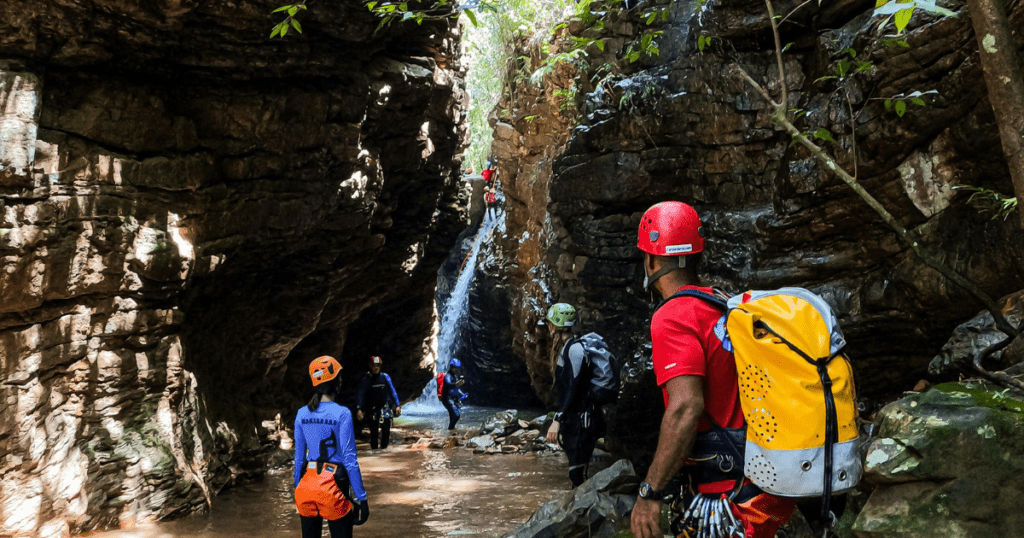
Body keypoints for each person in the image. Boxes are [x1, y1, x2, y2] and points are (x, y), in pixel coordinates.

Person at [630, 201, 795, 538]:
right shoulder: (724, 305)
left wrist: (650, 493)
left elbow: (685, 407)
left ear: (650, 260)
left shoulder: (673, 315)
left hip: (729, 497)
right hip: (765, 488)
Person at [294, 356, 370, 538]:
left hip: (306, 487)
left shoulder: (301, 414)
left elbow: (298, 459)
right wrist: (362, 498)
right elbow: (350, 460)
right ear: (337, 382)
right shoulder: (342, 413)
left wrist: (297, 490)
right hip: (333, 486)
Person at [542, 303, 606, 488]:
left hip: (582, 421)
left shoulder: (575, 349)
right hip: (577, 420)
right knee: (577, 474)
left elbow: (574, 387)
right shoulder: (569, 347)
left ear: (556, 324)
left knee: (577, 475)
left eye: (550, 322)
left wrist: (557, 420)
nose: (548, 326)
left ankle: (585, 513)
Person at [356, 356, 402, 450]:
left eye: (378, 365)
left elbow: (392, 391)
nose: (376, 367)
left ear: (380, 366)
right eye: (374, 366)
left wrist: (397, 405)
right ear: (370, 366)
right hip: (372, 408)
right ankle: (375, 451)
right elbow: (360, 394)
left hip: (384, 407)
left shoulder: (385, 377)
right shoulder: (366, 379)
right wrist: (359, 408)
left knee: (386, 430)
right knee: (374, 432)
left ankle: (383, 449)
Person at [440, 358, 468, 430]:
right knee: (456, 415)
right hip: (447, 399)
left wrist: (462, 394)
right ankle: (450, 428)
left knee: (453, 415)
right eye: (456, 367)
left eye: (457, 368)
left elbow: (457, 389)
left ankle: (451, 429)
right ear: (452, 367)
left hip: (452, 399)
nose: (457, 369)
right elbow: (449, 384)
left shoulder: (454, 376)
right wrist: (456, 384)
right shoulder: (447, 376)